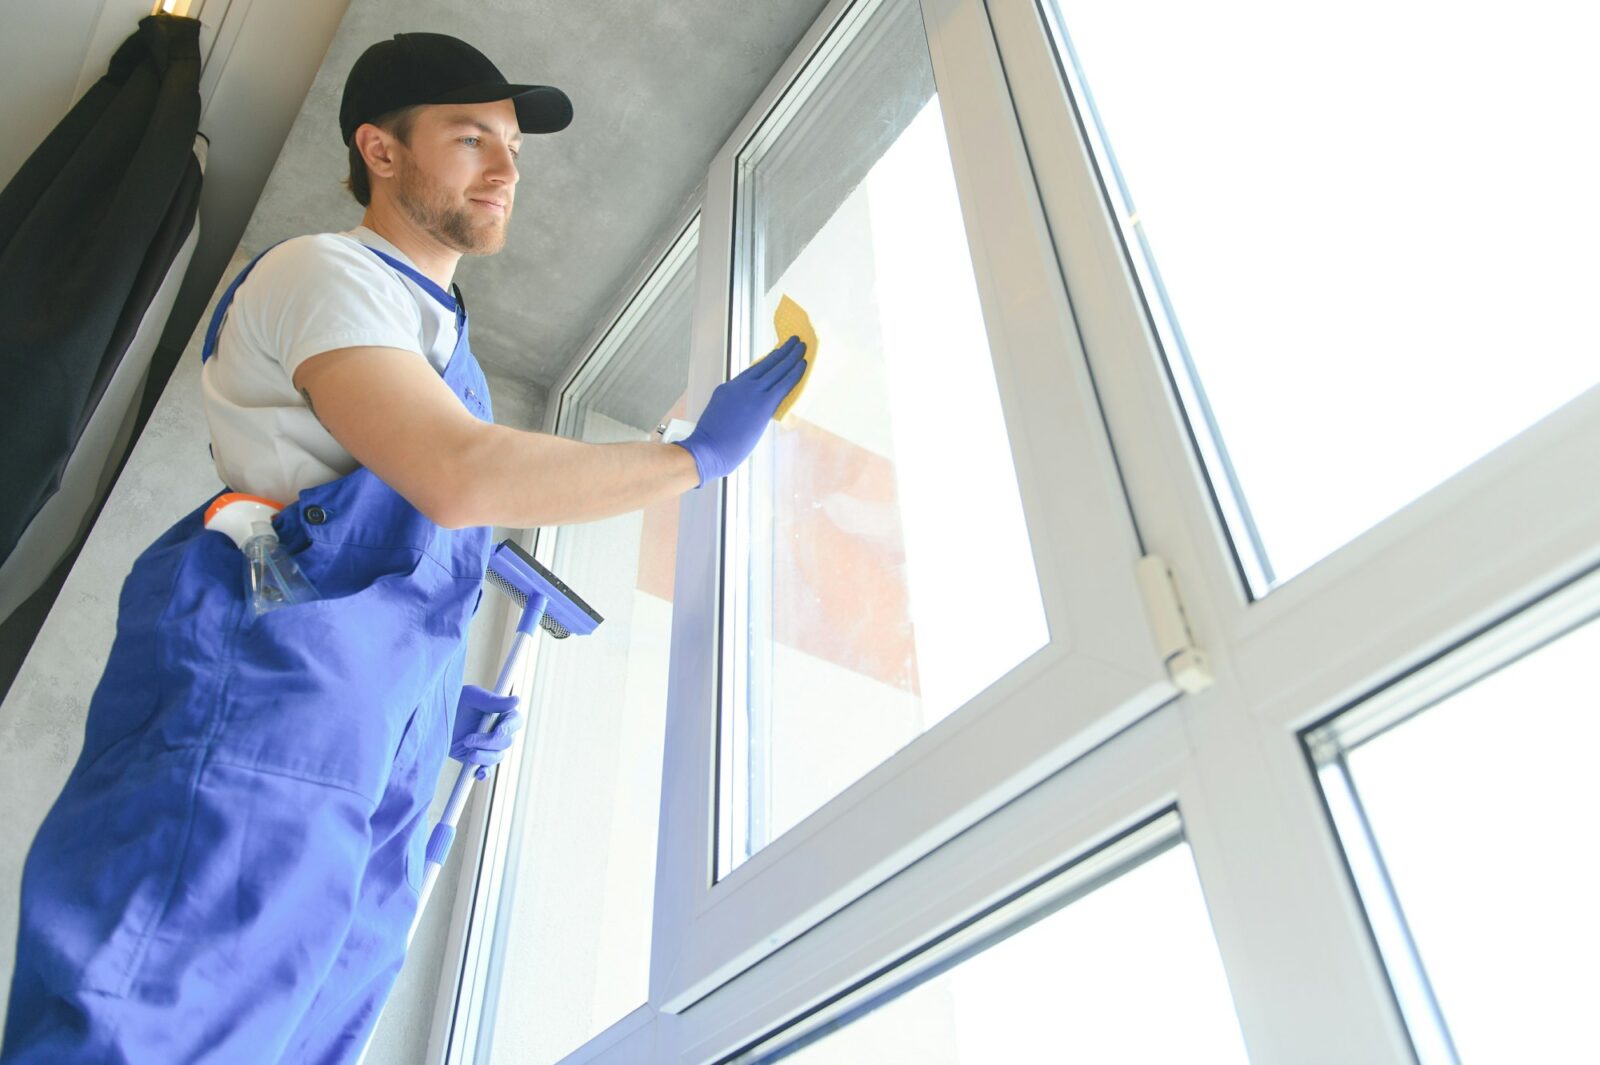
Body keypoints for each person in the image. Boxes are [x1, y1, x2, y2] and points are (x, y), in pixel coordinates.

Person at [0, 31, 804, 1065]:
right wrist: (690, 461)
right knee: (152, 1020)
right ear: (380, 152)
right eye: (472, 139)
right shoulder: (323, 273)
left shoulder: (438, 339)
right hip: (264, 722)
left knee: (294, 1032)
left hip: (349, 735)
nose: (509, 169)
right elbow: (455, 476)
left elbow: (399, 551)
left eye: (513, 145)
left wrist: (421, 713)